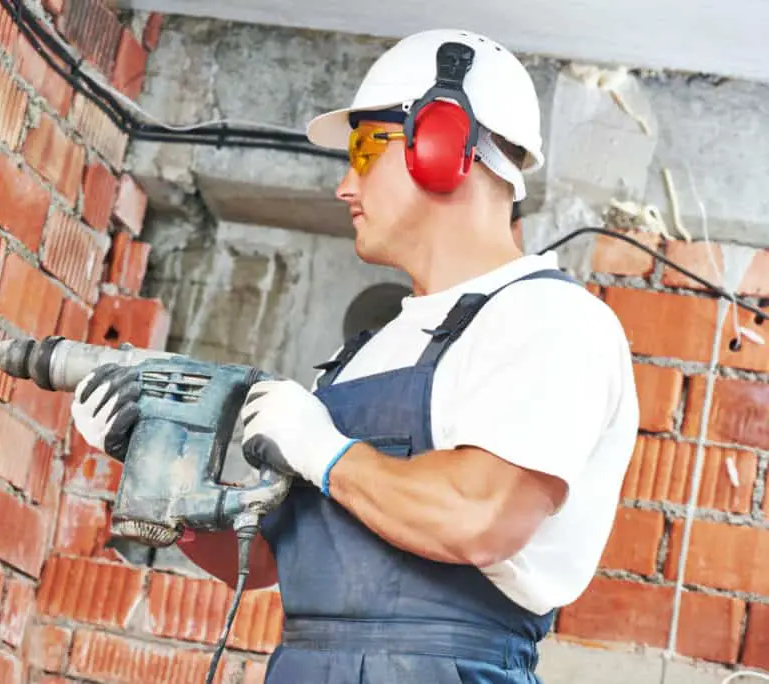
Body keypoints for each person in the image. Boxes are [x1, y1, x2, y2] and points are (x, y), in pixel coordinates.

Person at [71, 28, 640, 684]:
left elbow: (478, 517)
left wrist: (326, 452)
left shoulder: (547, 320)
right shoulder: (363, 354)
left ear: (443, 143)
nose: (345, 185)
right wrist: (156, 461)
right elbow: (267, 561)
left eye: (365, 151)